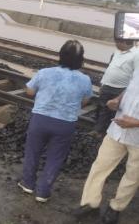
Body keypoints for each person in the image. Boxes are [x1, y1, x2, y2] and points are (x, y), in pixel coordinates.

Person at [18, 40, 93, 202]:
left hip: (40, 119)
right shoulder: (85, 80)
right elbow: (85, 101)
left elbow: (30, 92)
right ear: (81, 59)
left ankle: (28, 184)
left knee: (33, 152)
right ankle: (43, 192)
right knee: (55, 157)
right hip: (65, 124)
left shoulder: (45, 72)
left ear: (61, 55)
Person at [75, 67, 139, 224]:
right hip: (116, 129)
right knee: (100, 166)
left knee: (132, 176)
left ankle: (116, 207)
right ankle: (91, 203)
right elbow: (132, 86)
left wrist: (136, 122)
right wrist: (118, 100)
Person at [92, 39, 138, 137]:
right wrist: (102, 83)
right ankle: (97, 130)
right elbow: (110, 68)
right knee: (102, 108)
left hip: (121, 89)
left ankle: (108, 133)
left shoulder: (136, 54)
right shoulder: (116, 52)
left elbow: (135, 75)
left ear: (126, 42)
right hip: (107, 86)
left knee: (114, 112)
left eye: (118, 42)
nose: (116, 43)